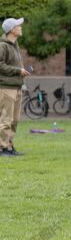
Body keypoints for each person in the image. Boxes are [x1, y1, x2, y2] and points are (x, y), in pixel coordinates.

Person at [0, 17, 30, 157]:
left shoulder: (15, 45)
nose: (21, 27)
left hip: (17, 86)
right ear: (12, 30)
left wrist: (22, 71)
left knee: (14, 120)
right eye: (18, 25)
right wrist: (18, 70)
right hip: (6, 88)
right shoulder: (3, 46)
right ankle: (2, 148)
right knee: (6, 119)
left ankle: (10, 147)